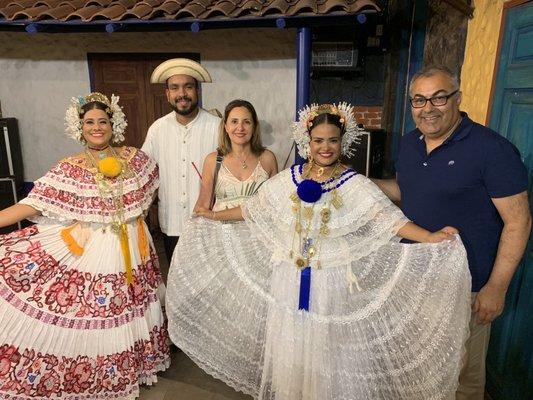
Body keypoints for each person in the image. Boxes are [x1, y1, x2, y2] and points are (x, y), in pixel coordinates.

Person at [166, 102, 472, 400]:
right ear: (307, 142)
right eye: (318, 141)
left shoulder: (353, 182)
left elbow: (388, 219)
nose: (325, 148)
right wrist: (213, 216)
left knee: (326, 347)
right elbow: (254, 208)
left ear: (343, 142)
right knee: (291, 346)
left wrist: (428, 238)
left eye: (333, 141)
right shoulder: (291, 177)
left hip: (330, 280)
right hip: (288, 276)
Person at [375, 65, 531, 399]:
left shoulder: (492, 150)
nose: (428, 108)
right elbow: (405, 191)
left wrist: (496, 288)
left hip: (466, 287)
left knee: (462, 376)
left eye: (438, 97)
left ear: (457, 99)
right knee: (418, 366)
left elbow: (519, 222)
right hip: (416, 277)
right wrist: (354, 182)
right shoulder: (409, 143)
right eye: (419, 100)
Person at [0, 93, 169, 399]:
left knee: (133, 306)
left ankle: (138, 365)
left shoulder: (136, 159)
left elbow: (149, 192)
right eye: (89, 122)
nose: (96, 127)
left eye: (102, 121)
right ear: (80, 127)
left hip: (135, 246)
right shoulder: (70, 168)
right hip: (100, 251)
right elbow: (31, 204)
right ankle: (107, 376)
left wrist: (138, 220)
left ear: (112, 124)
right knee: (104, 313)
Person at [142, 58, 220, 261]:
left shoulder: (218, 127)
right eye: (175, 88)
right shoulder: (157, 129)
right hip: (172, 222)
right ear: (167, 94)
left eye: (188, 87)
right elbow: (143, 174)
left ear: (197, 91)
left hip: (209, 222)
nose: (182, 94)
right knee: (176, 282)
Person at [194, 99, 278, 217]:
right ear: (226, 127)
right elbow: (202, 206)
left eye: (246, 122)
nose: (240, 128)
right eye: (234, 121)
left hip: (258, 234)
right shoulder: (212, 160)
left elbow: (275, 204)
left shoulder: (268, 158)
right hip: (222, 233)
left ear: (254, 127)